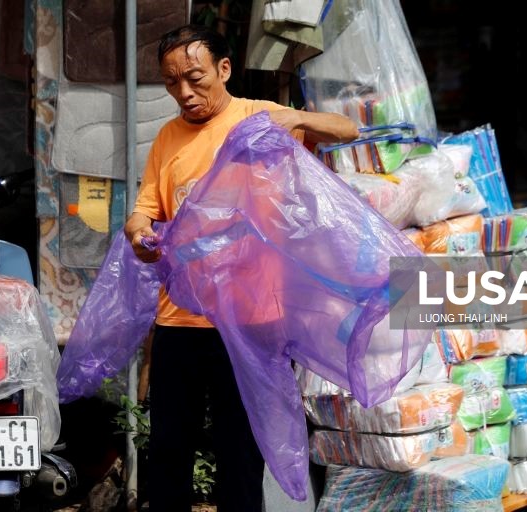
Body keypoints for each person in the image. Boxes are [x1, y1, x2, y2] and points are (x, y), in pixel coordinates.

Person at [124, 25, 358, 511]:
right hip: (179, 321)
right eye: (172, 83)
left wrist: (287, 117)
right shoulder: (168, 137)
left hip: (250, 323)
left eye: (194, 78)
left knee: (241, 455)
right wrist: (137, 233)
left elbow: (347, 129)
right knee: (168, 451)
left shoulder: (258, 117)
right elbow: (144, 208)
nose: (184, 93)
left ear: (223, 70)